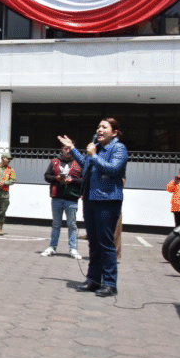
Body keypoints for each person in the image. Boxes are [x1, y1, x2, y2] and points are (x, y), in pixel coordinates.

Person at [58, 118, 128, 297]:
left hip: (107, 200)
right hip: (90, 198)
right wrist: (73, 149)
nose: (100, 130)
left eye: (105, 127)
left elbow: (112, 169)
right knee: (94, 243)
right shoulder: (95, 147)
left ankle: (110, 284)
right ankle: (93, 280)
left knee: (106, 243)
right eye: (98, 127)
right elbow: (86, 165)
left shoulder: (118, 148)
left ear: (114, 132)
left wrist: (94, 155)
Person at [42, 144, 83, 259]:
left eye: (70, 149)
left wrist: (73, 180)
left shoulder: (79, 162)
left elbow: (84, 179)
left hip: (72, 198)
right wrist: (56, 178)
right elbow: (46, 176)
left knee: (72, 225)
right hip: (57, 197)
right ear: (61, 149)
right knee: (56, 224)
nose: (68, 151)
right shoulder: (55, 161)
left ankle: (73, 249)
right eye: (65, 148)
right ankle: (52, 247)